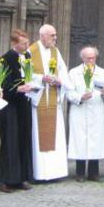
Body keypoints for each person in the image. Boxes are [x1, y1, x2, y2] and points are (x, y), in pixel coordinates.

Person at [26, 24, 71, 181]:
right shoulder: (31, 52)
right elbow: (25, 75)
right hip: (38, 101)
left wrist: (59, 81)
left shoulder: (55, 52)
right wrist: (41, 78)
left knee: (55, 136)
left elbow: (64, 74)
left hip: (52, 98)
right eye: (52, 35)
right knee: (38, 138)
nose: (55, 38)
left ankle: (54, 172)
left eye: (55, 35)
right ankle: (39, 173)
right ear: (42, 35)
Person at [66, 46, 104, 182]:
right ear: (83, 58)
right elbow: (69, 92)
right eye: (88, 58)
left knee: (95, 140)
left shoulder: (102, 72)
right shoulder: (74, 73)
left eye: (93, 58)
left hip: (96, 110)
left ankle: (93, 173)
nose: (91, 60)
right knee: (80, 140)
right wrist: (80, 97)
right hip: (80, 110)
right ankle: (80, 173)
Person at [0, 29, 35, 192]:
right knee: (10, 141)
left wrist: (30, 86)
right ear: (14, 43)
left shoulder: (27, 57)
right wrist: (17, 89)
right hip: (10, 105)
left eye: (27, 43)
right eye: (23, 43)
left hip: (24, 104)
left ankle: (21, 177)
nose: (27, 46)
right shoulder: (5, 59)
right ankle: (5, 180)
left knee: (23, 139)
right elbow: (2, 85)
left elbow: (29, 76)